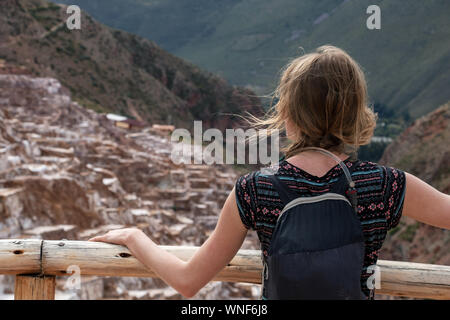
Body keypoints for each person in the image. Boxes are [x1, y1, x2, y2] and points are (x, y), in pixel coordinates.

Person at [89, 46, 450, 299]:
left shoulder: (254, 190)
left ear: (288, 116)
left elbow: (188, 281)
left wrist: (135, 237)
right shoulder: (385, 185)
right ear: (356, 114)